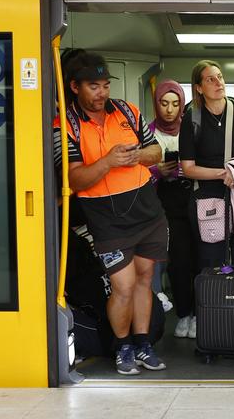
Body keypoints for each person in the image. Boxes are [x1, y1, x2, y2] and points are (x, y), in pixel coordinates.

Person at [53, 51, 167, 375]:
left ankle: (144, 343)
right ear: (74, 87)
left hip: (147, 210)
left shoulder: (128, 111)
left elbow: (157, 151)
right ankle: (123, 346)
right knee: (124, 286)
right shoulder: (65, 125)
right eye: (93, 86)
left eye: (105, 85)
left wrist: (137, 157)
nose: (102, 93)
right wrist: (108, 161)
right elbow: (74, 179)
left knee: (145, 280)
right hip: (105, 218)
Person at [179, 60, 234, 272]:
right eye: (210, 79)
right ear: (199, 88)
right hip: (208, 199)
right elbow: (188, 168)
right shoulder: (193, 117)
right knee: (212, 262)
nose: (219, 82)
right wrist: (223, 174)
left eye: (220, 77)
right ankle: (216, 303)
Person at [148, 80, 200, 339]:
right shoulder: (146, 132)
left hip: (196, 197)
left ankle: (200, 314)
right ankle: (184, 313)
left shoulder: (192, 129)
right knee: (178, 262)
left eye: (175, 103)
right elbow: (135, 171)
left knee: (201, 260)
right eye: (164, 103)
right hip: (165, 202)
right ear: (156, 104)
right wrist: (158, 172)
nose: (169, 109)